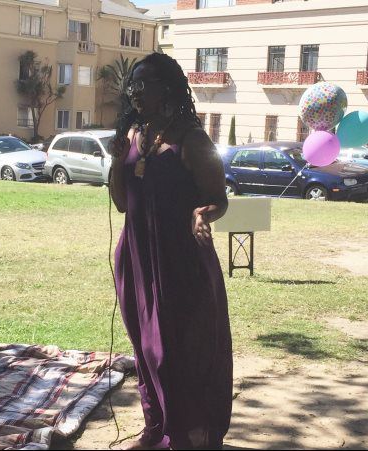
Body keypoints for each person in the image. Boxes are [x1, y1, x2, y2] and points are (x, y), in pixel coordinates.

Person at [108, 52, 233, 449]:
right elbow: (122, 203)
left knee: (176, 350)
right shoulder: (132, 137)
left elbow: (219, 199)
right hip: (138, 256)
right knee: (144, 349)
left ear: (168, 89)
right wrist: (115, 163)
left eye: (144, 84)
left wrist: (202, 214)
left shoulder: (191, 140)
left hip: (179, 259)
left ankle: (189, 433)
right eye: (133, 85)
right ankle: (155, 425)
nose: (135, 93)